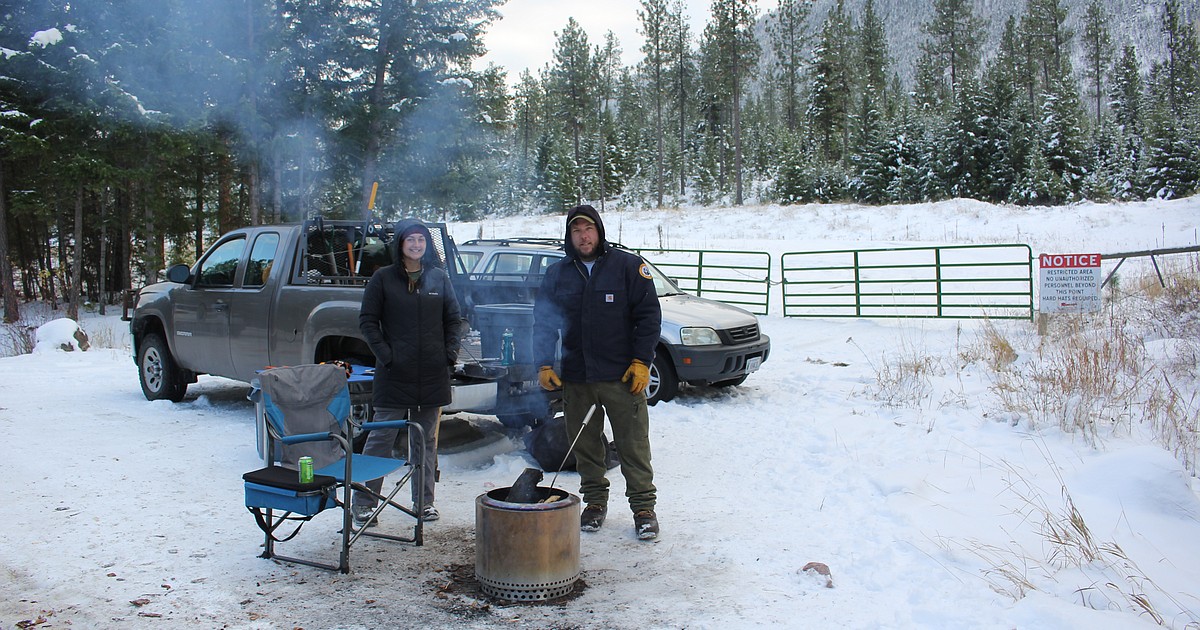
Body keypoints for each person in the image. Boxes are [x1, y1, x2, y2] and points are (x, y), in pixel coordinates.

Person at [532, 204, 663, 540]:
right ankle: (594, 504)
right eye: (576, 231)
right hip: (577, 378)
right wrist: (544, 363)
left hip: (622, 377)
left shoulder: (628, 267)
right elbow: (544, 323)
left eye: (588, 229)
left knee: (632, 445)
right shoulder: (558, 274)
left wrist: (641, 362)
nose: (583, 236)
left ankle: (644, 510)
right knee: (586, 447)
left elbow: (648, 317)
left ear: (599, 231)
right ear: (569, 235)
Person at [354, 218, 463, 526]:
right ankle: (363, 501)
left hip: (432, 373)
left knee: (426, 440)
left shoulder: (438, 278)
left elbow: (454, 320)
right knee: (380, 437)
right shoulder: (383, 278)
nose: (416, 245)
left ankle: (424, 503)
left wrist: (448, 355)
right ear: (400, 244)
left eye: (421, 240)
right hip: (394, 373)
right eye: (410, 240)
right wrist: (387, 356)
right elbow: (367, 321)